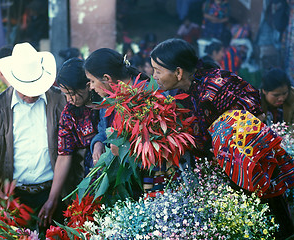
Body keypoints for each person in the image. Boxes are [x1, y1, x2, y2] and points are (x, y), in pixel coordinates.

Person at [150, 38, 294, 238]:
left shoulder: (215, 86)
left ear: (178, 72)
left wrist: (227, 145)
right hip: (226, 172)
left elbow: (256, 116)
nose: (154, 76)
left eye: (157, 70)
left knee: (274, 224)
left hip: (252, 168)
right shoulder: (183, 93)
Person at [0, 42, 67, 229]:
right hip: (14, 196)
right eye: (25, 89)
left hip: (54, 191)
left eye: (34, 88)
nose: (30, 95)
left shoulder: (59, 100)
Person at [38, 58, 100, 226]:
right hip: (87, 184)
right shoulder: (69, 114)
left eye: (72, 93)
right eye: (65, 93)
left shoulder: (105, 101)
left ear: (88, 86)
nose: (68, 99)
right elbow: (64, 155)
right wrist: (53, 198)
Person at [83, 48, 148, 163]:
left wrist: (125, 152)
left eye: (92, 81)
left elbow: (154, 146)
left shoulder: (147, 95)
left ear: (107, 78)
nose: (91, 87)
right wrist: (98, 143)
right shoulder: (109, 99)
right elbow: (104, 130)